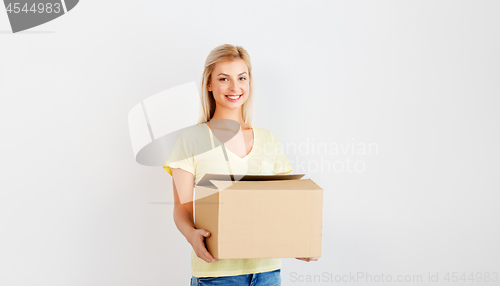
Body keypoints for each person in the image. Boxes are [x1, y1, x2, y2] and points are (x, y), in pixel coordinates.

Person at [163, 44, 318, 286]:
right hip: (216, 274)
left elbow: (282, 207)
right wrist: (192, 236)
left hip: (267, 272)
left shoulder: (269, 139)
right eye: (224, 78)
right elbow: (182, 209)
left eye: (241, 78)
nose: (235, 87)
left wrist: (299, 240)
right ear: (209, 84)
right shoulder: (190, 140)